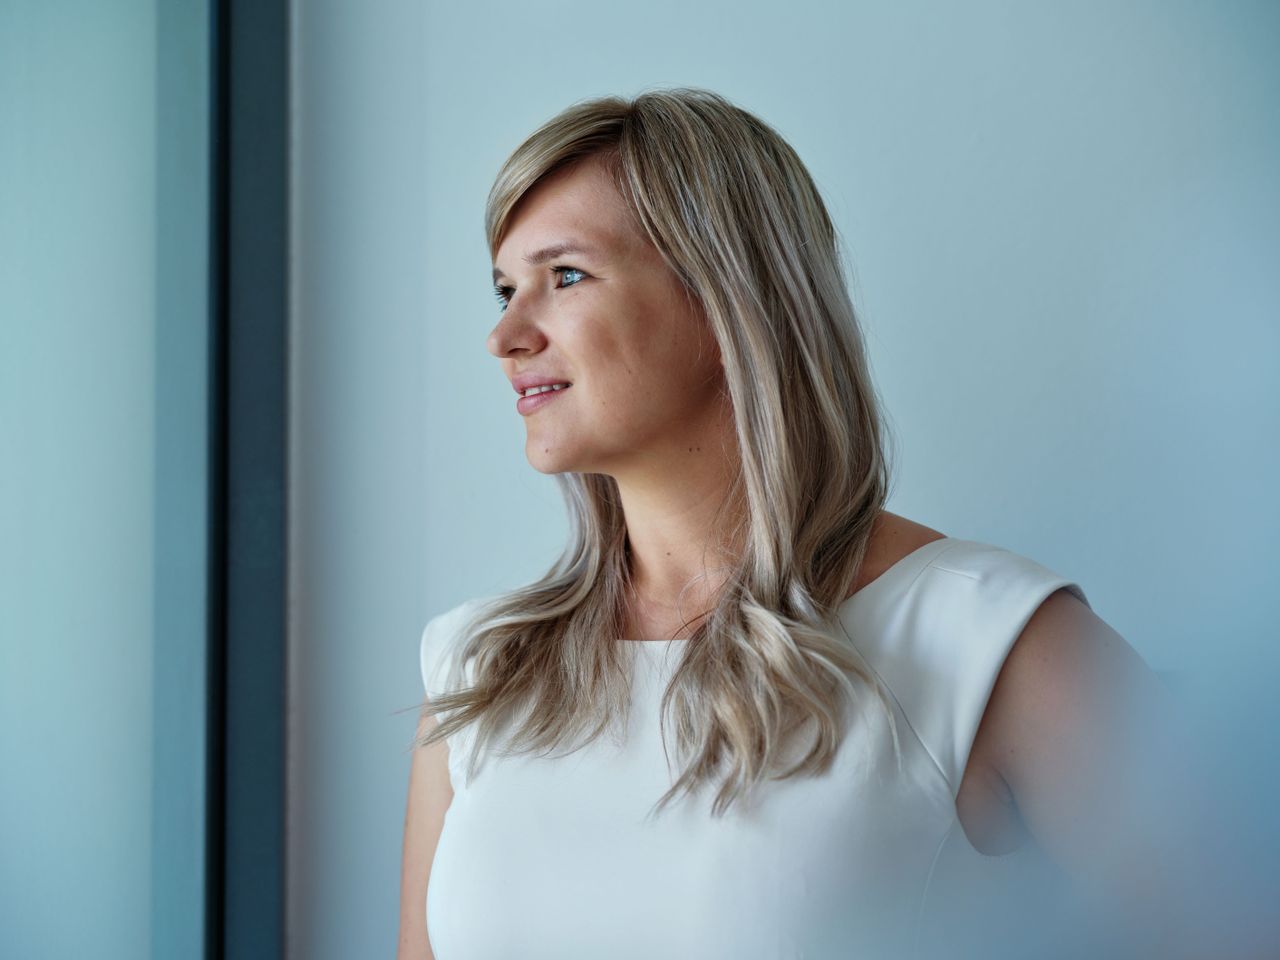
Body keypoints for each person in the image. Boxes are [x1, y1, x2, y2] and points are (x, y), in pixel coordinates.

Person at [397, 88, 1252, 960]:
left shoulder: (993, 640)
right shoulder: (477, 671)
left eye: (565, 276)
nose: (505, 333)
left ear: (726, 300)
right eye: (505, 289)